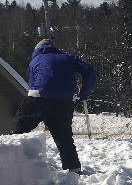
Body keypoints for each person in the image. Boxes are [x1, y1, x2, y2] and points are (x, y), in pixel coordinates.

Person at [12, 38, 96, 174]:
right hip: (64, 102)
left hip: (38, 98)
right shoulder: (68, 58)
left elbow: (32, 86)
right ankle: (73, 168)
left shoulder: (35, 60)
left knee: (18, 131)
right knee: (64, 136)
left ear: (37, 50)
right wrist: (84, 94)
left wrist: (42, 114)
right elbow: (90, 72)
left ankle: (9, 162)